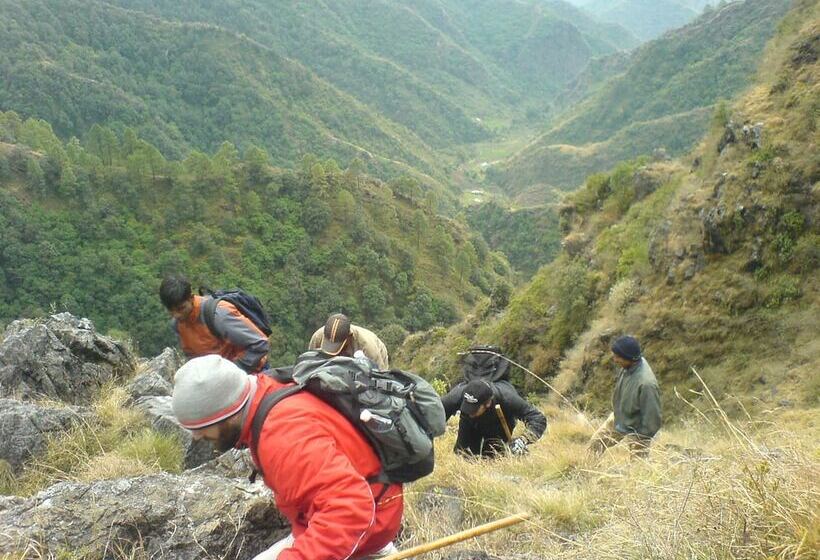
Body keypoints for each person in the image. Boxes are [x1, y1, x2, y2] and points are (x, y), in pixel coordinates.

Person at [172, 355, 403, 560]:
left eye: (201, 427)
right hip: (364, 506)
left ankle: (372, 552)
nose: (196, 436)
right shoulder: (266, 390)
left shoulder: (282, 436)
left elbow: (351, 511)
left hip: (367, 525)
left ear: (228, 414)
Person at [159, 275, 269, 373]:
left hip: (250, 373)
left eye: (181, 308)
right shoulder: (178, 325)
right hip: (217, 379)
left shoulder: (218, 315)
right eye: (170, 310)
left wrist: (233, 371)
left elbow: (260, 343)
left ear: (191, 298)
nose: (176, 315)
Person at [588, 335, 662, 457]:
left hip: (638, 428)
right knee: (596, 444)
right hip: (619, 416)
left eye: (618, 357)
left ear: (630, 358)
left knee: (637, 464)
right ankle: (586, 467)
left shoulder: (647, 384)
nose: (615, 360)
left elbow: (653, 419)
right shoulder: (629, 366)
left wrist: (641, 438)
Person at [441, 378, 547, 458]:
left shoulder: (507, 398)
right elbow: (434, 414)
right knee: (462, 455)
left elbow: (538, 418)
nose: (470, 412)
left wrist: (523, 440)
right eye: (467, 407)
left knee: (497, 456)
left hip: (500, 424)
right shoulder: (458, 395)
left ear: (487, 403)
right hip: (469, 425)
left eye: (474, 409)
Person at [308, 313, 389, 370]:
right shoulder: (318, 337)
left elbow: (380, 375)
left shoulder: (367, 346)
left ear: (349, 337)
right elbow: (310, 364)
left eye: (337, 346)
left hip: (373, 358)